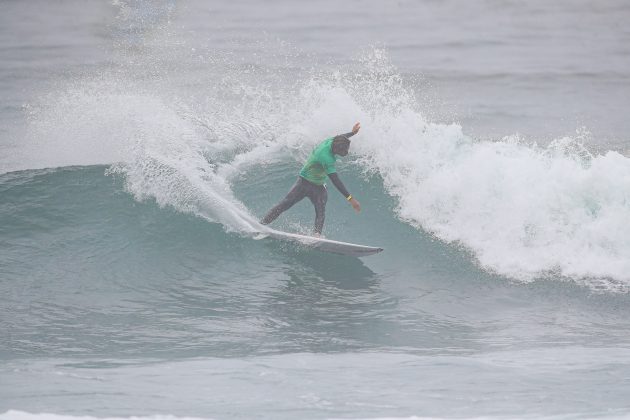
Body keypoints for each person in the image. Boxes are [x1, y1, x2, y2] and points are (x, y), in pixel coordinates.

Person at [260, 122, 362, 236]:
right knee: (284, 204)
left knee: (321, 210)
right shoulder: (326, 157)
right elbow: (336, 181)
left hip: (318, 185)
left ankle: (316, 236)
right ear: (336, 149)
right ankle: (261, 225)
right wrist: (351, 199)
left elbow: (341, 137)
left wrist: (352, 133)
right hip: (304, 182)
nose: (346, 152)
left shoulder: (332, 141)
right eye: (344, 151)